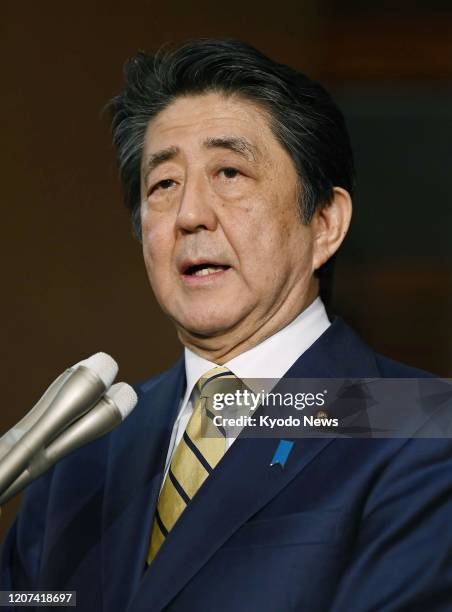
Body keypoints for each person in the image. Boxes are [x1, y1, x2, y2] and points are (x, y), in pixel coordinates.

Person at [1, 39, 451, 611]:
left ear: (325, 223)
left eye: (230, 173)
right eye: (163, 184)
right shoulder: (82, 450)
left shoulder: (422, 425)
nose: (190, 214)